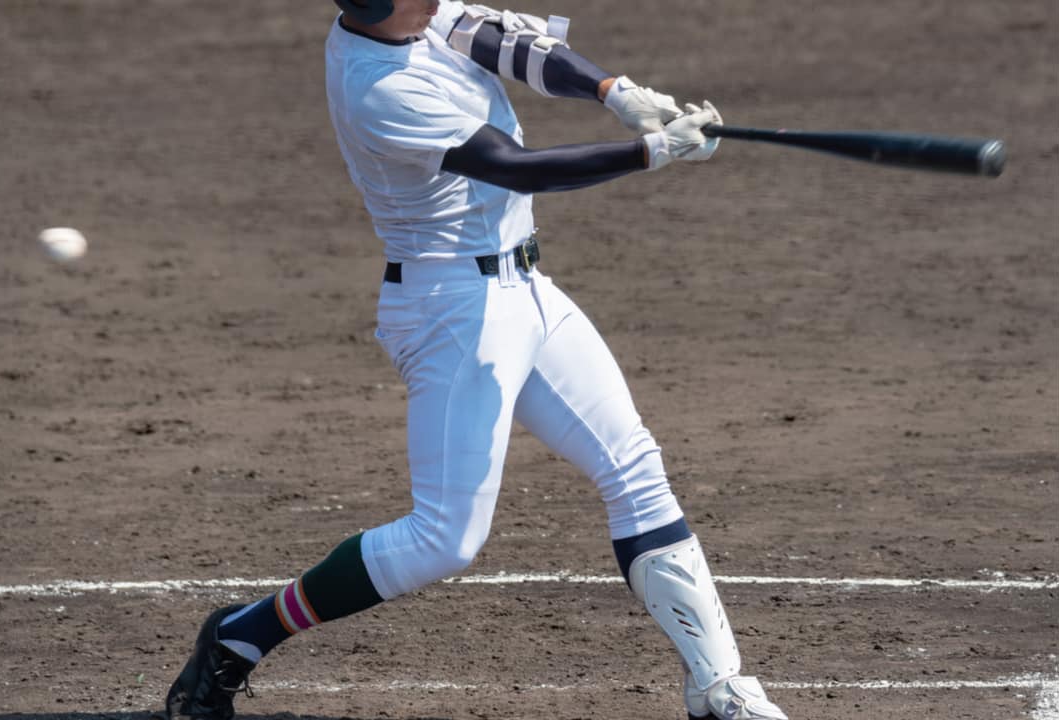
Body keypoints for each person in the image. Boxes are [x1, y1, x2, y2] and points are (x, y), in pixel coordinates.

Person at [165, 2, 788, 719]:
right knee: (444, 539)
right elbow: (513, 168)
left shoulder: (408, 17)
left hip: (527, 287)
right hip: (452, 311)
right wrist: (652, 152)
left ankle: (718, 687)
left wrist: (615, 93)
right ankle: (240, 635)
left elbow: (500, 42)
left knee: (635, 468)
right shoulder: (379, 88)